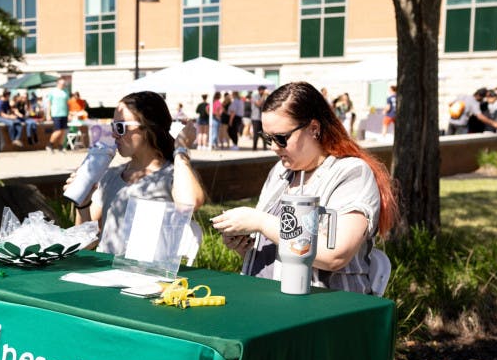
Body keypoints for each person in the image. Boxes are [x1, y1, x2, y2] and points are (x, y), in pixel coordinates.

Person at [211, 81, 398, 294]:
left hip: (325, 305)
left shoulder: (351, 173)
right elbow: (280, 252)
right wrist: (246, 247)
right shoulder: (280, 172)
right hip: (264, 297)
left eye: (281, 138)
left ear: (314, 129)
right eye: (268, 138)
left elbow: (336, 255)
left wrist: (261, 222)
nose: (273, 147)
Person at [66, 91, 205, 255]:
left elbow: (189, 204)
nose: (114, 134)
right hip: (105, 269)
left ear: (147, 128)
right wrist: (83, 204)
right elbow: (85, 243)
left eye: (120, 127)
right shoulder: (110, 175)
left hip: (146, 270)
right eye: (113, 126)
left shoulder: (174, 175)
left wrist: (180, 150)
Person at [45, 77, 70, 153]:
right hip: (56, 114)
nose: (63, 85)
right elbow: (49, 103)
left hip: (64, 113)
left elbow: (67, 103)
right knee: (58, 131)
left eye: (64, 84)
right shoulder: (52, 92)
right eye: (61, 84)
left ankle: (60, 146)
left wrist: (69, 113)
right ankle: (49, 145)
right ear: (58, 83)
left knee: (63, 131)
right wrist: (48, 114)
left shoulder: (66, 91)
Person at [250, 85, 267, 150]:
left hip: (262, 118)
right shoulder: (255, 96)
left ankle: (265, 147)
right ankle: (254, 147)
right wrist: (264, 96)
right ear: (260, 90)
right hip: (255, 117)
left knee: (263, 133)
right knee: (256, 133)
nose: (264, 91)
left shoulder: (264, 97)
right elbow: (258, 104)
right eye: (263, 90)